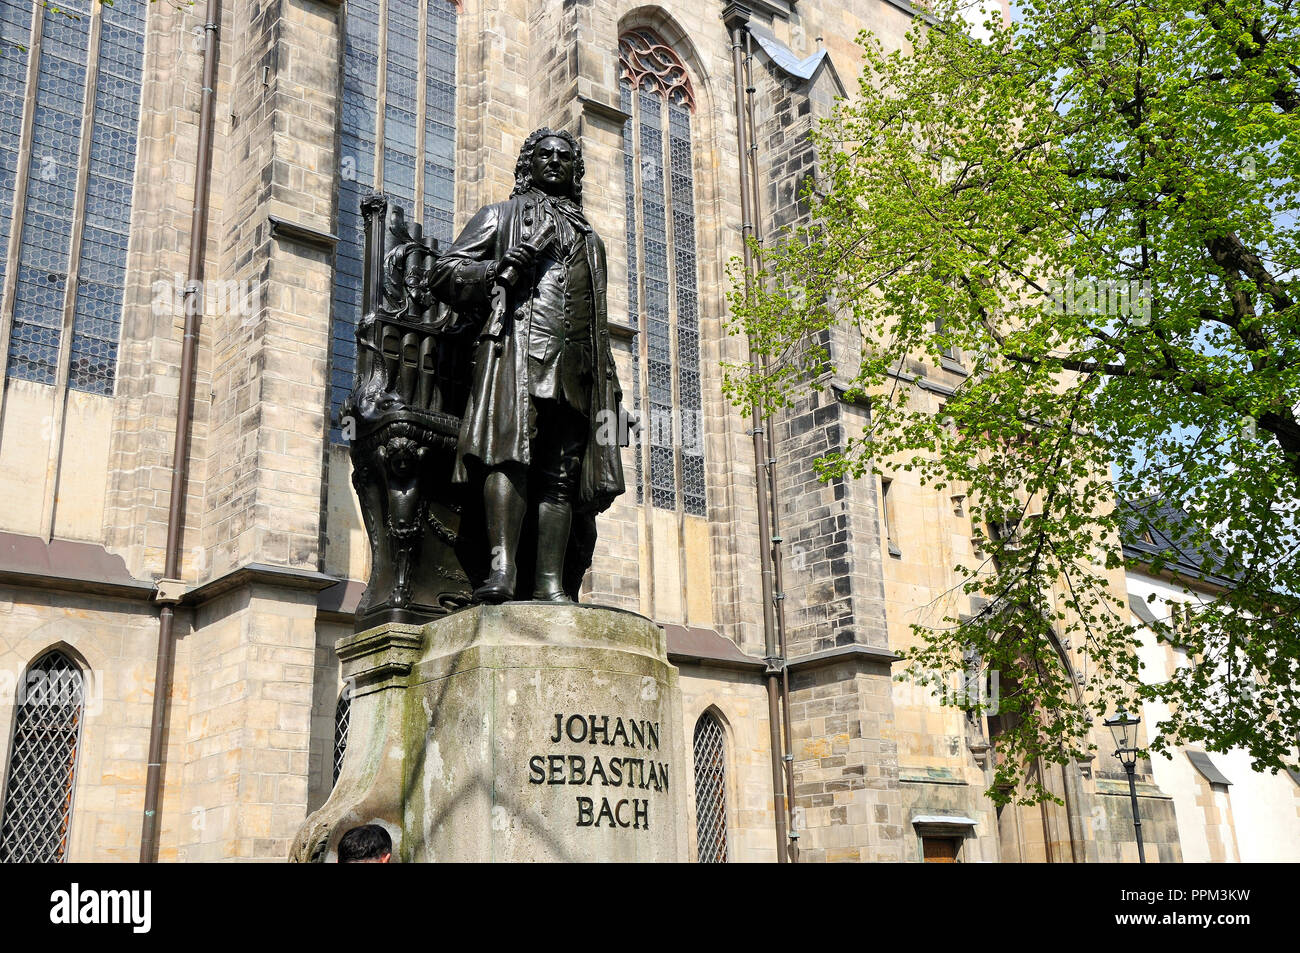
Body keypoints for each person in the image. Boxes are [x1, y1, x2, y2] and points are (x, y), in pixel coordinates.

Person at [430, 127, 625, 603]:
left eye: (564, 157)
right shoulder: (501, 217)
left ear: (574, 171)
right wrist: (496, 270)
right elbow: (444, 272)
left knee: (562, 475)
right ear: (529, 165)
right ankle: (501, 571)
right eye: (545, 155)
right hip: (517, 355)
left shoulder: (592, 241)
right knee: (509, 455)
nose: (555, 162)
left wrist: (609, 382)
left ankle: (550, 586)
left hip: (576, 370)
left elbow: (598, 319)